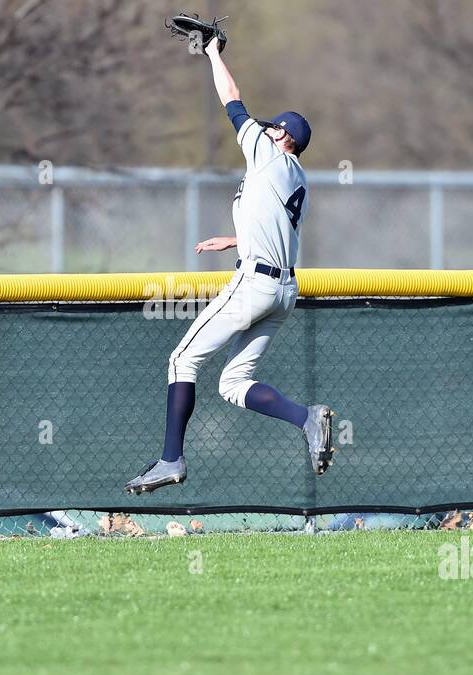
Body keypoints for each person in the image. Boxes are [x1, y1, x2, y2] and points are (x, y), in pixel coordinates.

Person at [125, 35, 335, 494]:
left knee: (182, 360)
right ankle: (306, 419)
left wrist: (213, 52)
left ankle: (170, 459)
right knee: (234, 382)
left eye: (272, 128)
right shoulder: (294, 176)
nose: (263, 131)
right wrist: (235, 240)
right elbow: (276, 230)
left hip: (256, 284)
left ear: (283, 137)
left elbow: (232, 100)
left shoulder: (268, 154)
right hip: (284, 292)